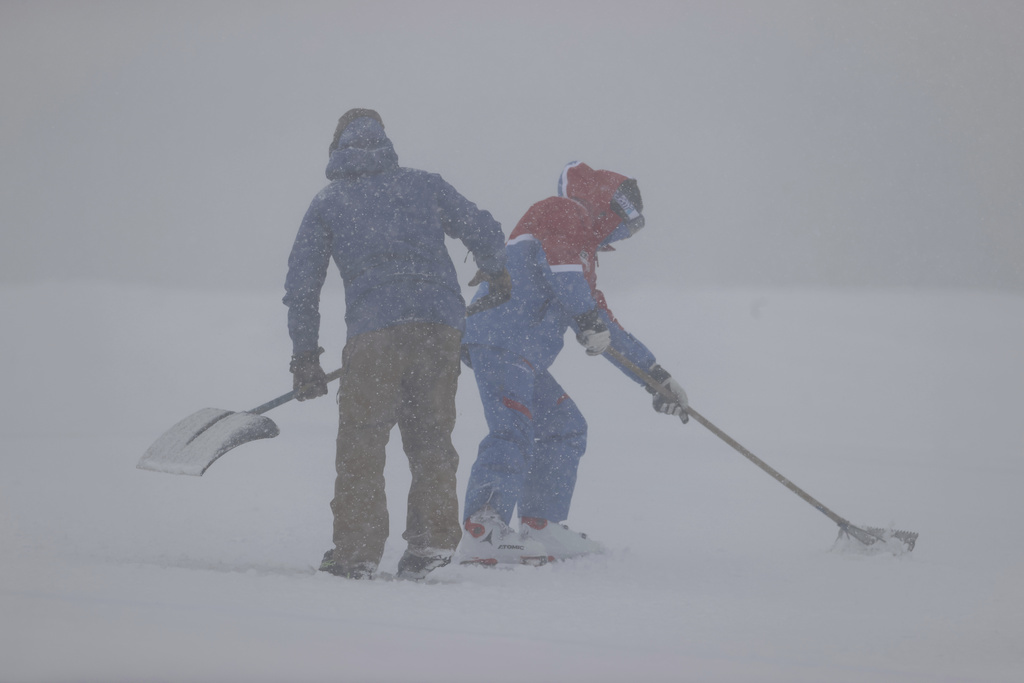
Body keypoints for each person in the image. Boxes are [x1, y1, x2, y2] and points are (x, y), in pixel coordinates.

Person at [283, 108, 510, 580]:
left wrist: (305, 355)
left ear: (336, 148)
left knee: (363, 441)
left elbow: (302, 286)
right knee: (431, 440)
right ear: (385, 143)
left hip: (374, 334)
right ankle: (430, 548)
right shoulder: (424, 185)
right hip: (439, 327)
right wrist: (495, 269)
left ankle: (356, 554)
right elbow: (484, 229)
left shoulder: (329, 202)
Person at [457, 161, 689, 566]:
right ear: (608, 204)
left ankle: (540, 526)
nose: (628, 230)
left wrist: (654, 376)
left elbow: (605, 325)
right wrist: (584, 317)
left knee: (565, 427)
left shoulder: (582, 261)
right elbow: (563, 267)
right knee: (512, 431)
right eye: (628, 219)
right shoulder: (563, 211)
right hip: (499, 339)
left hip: (522, 353)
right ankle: (482, 530)